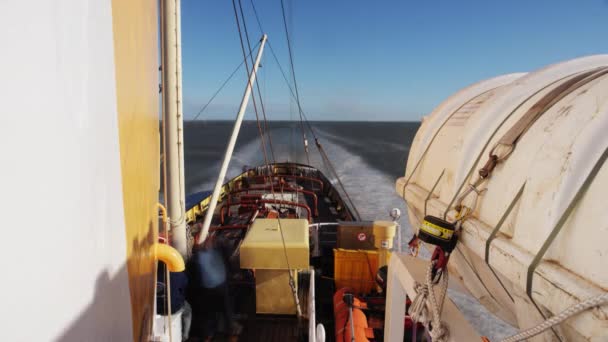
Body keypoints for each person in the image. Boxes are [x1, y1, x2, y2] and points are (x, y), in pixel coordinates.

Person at [187, 234, 242, 341]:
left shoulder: (196, 257)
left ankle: (210, 335)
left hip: (211, 288)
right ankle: (228, 334)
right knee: (223, 311)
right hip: (216, 286)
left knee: (212, 314)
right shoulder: (213, 250)